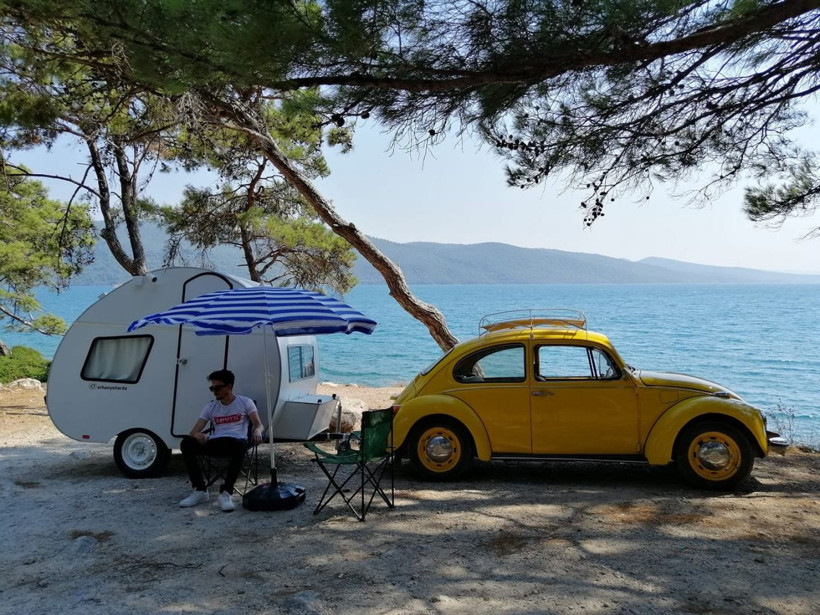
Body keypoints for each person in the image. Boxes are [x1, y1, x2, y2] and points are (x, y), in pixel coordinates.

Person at [178, 369, 264, 512]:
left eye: (217, 388)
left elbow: (259, 425)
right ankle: (200, 490)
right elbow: (193, 431)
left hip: (236, 442)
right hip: (216, 442)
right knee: (186, 443)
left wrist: (256, 431)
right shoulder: (211, 407)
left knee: (238, 446)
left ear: (229, 387)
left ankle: (226, 492)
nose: (214, 391)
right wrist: (197, 435)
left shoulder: (245, 402)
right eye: (212, 388)